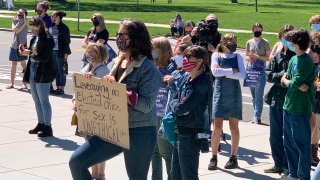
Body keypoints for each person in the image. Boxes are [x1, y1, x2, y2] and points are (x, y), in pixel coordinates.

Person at [69, 19, 160, 180]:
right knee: (77, 162)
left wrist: (121, 92)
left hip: (140, 131)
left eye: (121, 35)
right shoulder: (119, 60)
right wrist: (91, 86)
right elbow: (109, 91)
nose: (117, 38)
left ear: (134, 37)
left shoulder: (148, 68)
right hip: (114, 127)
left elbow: (146, 104)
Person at [169, 45, 210, 180]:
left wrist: (177, 105)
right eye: (184, 56)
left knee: (188, 175)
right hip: (180, 131)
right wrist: (177, 105)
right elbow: (176, 100)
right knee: (175, 175)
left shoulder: (201, 84)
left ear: (199, 62)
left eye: (189, 57)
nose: (185, 60)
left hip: (189, 135)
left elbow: (181, 109)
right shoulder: (188, 79)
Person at [72, 43, 112, 180]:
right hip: (84, 113)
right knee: (89, 143)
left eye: (92, 52)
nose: (89, 55)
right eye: (88, 52)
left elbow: (104, 92)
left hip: (97, 115)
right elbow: (77, 85)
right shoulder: (87, 67)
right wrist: (74, 101)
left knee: (98, 146)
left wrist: (92, 80)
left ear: (100, 54)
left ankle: (100, 175)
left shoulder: (104, 70)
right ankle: (94, 174)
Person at [280, 29, 315, 180]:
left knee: (302, 146)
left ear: (297, 43)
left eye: (291, 40)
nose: (288, 43)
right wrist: (289, 82)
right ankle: (293, 174)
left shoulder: (306, 61)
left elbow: (292, 81)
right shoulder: (294, 59)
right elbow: (287, 80)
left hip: (300, 109)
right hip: (288, 106)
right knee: (289, 143)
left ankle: (303, 176)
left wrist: (288, 81)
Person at [208, 34, 245, 170]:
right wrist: (231, 71)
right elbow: (214, 72)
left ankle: (233, 157)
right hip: (220, 92)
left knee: (234, 126)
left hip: (234, 93)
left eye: (234, 42)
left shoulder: (238, 56)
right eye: (230, 42)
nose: (233, 45)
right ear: (223, 44)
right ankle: (214, 157)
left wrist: (223, 72)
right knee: (217, 126)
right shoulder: (216, 55)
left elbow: (242, 74)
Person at [263, 25, 295, 175]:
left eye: (289, 37)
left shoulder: (295, 57)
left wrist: (280, 76)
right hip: (275, 99)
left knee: (288, 136)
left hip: (288, 100)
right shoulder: (278, 54)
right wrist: (280, 77)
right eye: (284, 36)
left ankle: (288, 167)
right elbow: (268, 73)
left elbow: (290, 77)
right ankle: (278, 164)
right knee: (274, 135)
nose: (286, 39)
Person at [20, 18, 55, 137]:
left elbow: (44, 57)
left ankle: (48, 127)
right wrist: (26, 50)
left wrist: (29, 53)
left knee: (44, 100)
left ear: (40, 26)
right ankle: (41, 123)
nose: (31, 30)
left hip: (43, 71)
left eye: (33, 27)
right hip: (33, 68)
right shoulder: (35, 38)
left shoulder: (48, 38)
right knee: (36, 100)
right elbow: (34, 52)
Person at [151, 37, 175, 180]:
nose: (151, 51)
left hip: (165, 117)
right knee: (154, 153)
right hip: (152, 115)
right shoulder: (152, 67)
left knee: (166, 153)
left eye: (154, 48)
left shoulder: (173, 69)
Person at [245, 23, 271, 124]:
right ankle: (254, 115)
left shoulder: (265, 42)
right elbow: (246, 56)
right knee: (254, 96)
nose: (257, 31)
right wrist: (250, 57)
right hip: (251, 70)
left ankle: (257, 116)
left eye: (259, 30)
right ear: (252, 31)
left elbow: (268, 58)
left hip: (260, 70)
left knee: (259, 95)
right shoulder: (249, 42)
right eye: (255, 30)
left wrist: (258, 57)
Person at [49, 11, 71, 95]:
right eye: (52, 16)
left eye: (54, 17)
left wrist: (66, 53)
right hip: (51, 51)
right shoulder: (51, 26)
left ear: (59, 17)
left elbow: (67, 41)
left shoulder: (64, 27)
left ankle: (61, 88)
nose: (53, 18)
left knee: (61, 70)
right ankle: (55, 87)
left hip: (60, 52)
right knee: (53, 70)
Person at [6, 9, 28, 90]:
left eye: (21, 13)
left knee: (23, 64)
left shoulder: (25, 22)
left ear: (25, 15)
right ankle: (12, 83)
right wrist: (13, 21)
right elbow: (13, 29)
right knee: (13, 64)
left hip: (22, 46)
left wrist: (24, 22)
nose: (19, 14)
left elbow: (17, 31)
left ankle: (25, 83)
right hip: (14, 45)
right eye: (18, 12)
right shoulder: (17, 21)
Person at [309, 30, 320, 167]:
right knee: (313, 125)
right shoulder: (308, 55)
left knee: (318, 125)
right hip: (313, 93)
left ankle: (313, 152)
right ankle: (311, 153)